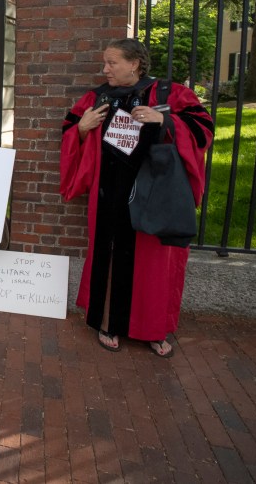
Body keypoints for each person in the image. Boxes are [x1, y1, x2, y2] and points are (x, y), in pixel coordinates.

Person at [60, 38, 213, 358]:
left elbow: (204, 129)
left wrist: (165, 119)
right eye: (105, 63)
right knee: (111, 258)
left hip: (154, 192)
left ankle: (153, 330)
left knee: (154, 262)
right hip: (109, 194)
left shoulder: (170, 95)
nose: (105, 69)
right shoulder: (96, 97)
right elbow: (69, 130)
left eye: (112, 63)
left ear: (135, 64)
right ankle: (108, 323)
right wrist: (83, 129)